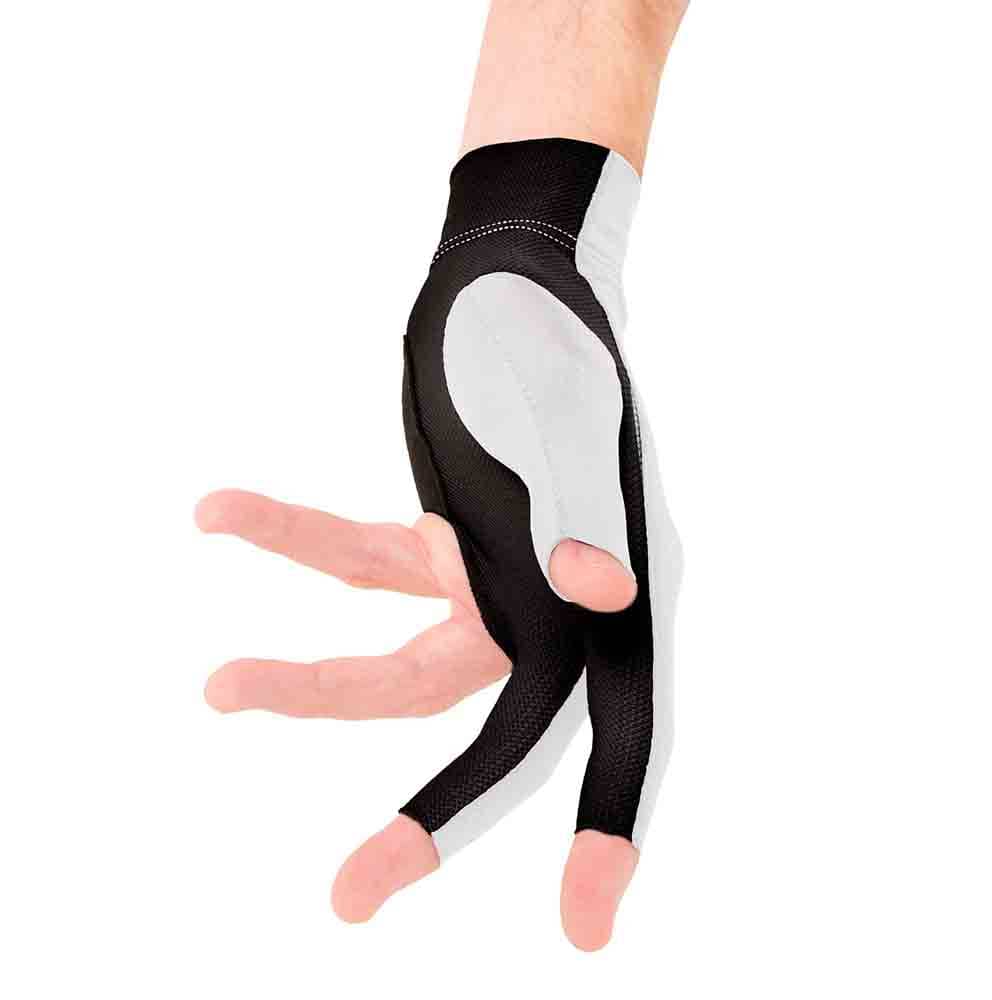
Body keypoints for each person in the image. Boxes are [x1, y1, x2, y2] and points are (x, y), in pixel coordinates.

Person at [195, 0, 689, 952]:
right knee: (593, 633)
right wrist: (520, 266)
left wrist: (510, 259)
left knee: (582, 635)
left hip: (476, 286)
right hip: (485, 287)